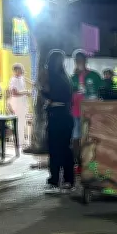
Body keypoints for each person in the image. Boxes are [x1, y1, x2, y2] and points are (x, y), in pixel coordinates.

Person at [42, 50, 75, 192]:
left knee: (55, 149)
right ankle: (68, 180)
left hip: (56, 114)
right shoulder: (65, 77)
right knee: (66, 148)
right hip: (66, 115)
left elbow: (47, 91)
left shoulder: (49, 75)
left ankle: (55, 180)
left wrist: (46, 96)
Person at [70, 51, 102, 154]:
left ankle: (90, 160)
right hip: (76, 112)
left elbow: (102, 91)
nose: (79, 62)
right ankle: (77, 161)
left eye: (81, 60)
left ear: (85, 61)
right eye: (76, 60)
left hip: (91, 111)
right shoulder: (72, 78)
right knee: (76, 136)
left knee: (91, 135)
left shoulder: (94, 76)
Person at [7, 64, 32, 146]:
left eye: (22, 69)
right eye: (20, 69)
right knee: (18, 122)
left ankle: (21, 139)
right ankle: (18, 140)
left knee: (23, 121)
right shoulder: (13, 80)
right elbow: (14, 93)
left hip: (23, 103)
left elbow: (30, 85)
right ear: (15, 71)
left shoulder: (22, 78)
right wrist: (26, 92)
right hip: (17, 103)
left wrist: (27, 93)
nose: (22, 71)